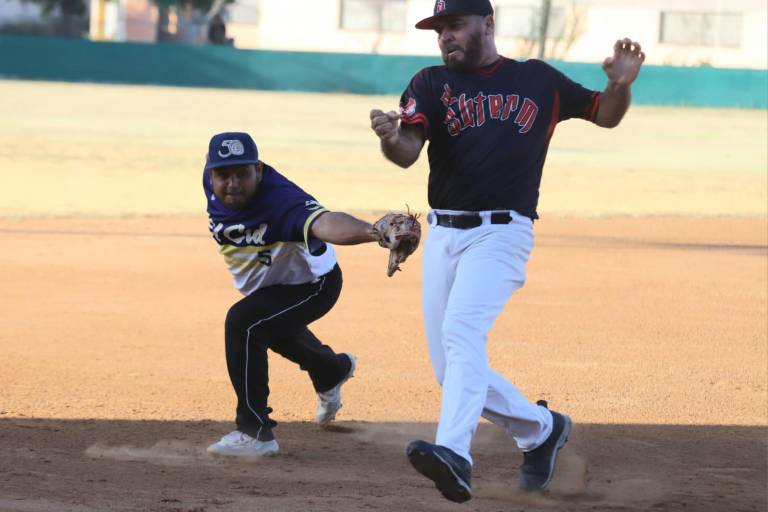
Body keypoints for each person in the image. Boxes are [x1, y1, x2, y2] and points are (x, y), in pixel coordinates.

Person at [369, 0, 644, 502]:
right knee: (451, 369)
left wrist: (619, 86)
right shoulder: (430, 83)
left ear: (487, 24)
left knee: (461, 331)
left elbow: (605, 115)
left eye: (454, 25)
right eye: (439, 29)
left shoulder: (538, 80)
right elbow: (407, 152)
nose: (445, 36)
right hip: (444, 235)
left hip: (503, 232)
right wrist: (391, 137)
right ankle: (541, 430)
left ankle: (454, 452)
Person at [203, 132, 414, 458]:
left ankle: (255, 432)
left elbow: (325, 223)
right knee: (267, 328)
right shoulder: (214, 183)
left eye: (242, 173)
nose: (232, 183)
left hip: (312, 285)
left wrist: (373, 232)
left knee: (244, 323)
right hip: (270, 284)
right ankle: (331, 370)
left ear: (258, 170)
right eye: (223, 174)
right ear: (209, 171)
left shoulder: (280, 201)